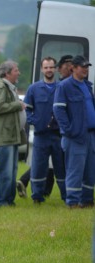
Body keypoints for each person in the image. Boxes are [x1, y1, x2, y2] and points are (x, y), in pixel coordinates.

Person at [16, 55, 73, 198]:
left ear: (56, 69)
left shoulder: (62, 87)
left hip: (59, 136)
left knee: (61, 169)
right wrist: (34, 120)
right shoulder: (34, 89)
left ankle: (66, 197)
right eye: (46, 67)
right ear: (42, 69)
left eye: (51, 67)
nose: (49, 70)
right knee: (38, 168)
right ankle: (37, 196)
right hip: (41, 136)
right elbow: (27, 109)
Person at [54, 55, 95, 209]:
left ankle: (87, 200)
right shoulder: (64, 86)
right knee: (75, 170)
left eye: (87, 66)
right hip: (75, 137)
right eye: (82, 66)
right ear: (73, 68)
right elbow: (58, 110)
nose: (85, 69)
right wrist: (69, 130)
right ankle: (72, 202)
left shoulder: (87, 86)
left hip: (91, 135)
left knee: (90, 170)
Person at [0, 61, 26, 207]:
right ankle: (2, 202)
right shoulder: (0, 87)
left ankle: (9, 201)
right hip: (3, 138)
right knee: (5, 172)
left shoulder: (9, 87)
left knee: (12, 171)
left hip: (11, 136)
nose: (19, 73)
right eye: (16, 70)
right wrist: (18, 104)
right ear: (7, 73)